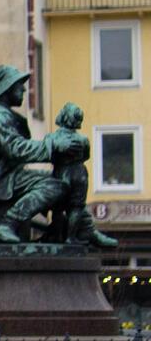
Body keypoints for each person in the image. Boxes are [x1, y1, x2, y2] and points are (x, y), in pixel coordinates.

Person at [0, 65, 66, 244]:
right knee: (55, 186)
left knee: (63, 180)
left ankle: (58, 231)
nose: (24, 89)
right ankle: (8, 223)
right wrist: (52, 146)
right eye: (19, 85)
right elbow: (16, 149)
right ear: (7, 87)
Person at [45, 103, 119, 249]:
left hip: (60, 173)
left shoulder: (52, 137)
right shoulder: (83, 140)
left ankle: (57, 236)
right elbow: (86, 156)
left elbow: (48, 155)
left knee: (58, 207)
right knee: (76, 207)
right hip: (79, 173)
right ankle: (71, 238)